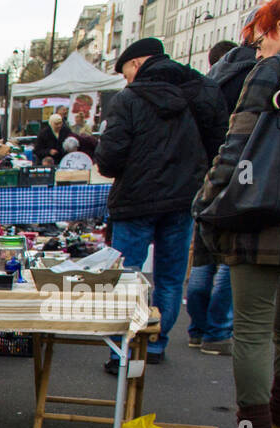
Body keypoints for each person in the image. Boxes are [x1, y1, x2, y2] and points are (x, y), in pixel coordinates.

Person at [193, 0, 280, 428]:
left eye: (259, 40)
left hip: (262, 216)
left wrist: (208, 201)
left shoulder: (275, 70)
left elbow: (236, 147)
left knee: (252, 329)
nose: (256, 52)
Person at [95, 37, 228, 372]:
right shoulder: (202, 90)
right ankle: (154, 344)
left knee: (128, 275)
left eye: (126, 72)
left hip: (135, 201)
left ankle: (122, 351)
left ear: (138, 64)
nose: (126, 79)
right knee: (169, 277)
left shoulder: (129, 99)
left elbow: (109, 159)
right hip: (183, 200)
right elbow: (220, 146)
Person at [187, 38, 259, 356]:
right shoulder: (262, 73)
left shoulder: (210, 80)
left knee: (203, 252)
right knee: (232, 255)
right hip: (245, 173)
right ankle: (216, 331)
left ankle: (198, 327)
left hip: (207, 173)